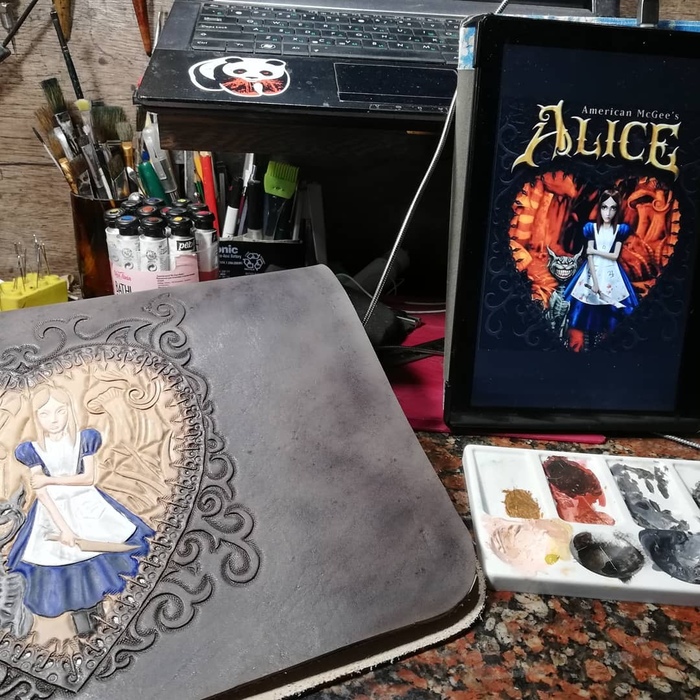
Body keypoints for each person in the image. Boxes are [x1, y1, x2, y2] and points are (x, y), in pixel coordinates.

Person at [7, 386, 154, 624]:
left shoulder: (84, 440)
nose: (54, 419)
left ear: (69, 411)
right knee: (66, 574)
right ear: (36, 417)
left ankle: (122, 617)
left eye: (60, 411)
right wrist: (64, 529)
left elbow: (88, 478)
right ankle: (87, 626)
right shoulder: (32, 450)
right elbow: (41, 494)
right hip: (52, 514)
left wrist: (50, 480)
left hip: (88, 507)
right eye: (45, 414)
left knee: (107, 565)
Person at [563, 189, 639, 351]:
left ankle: (602, 347)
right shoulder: (591, 228)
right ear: (600, 208)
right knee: (586, 308)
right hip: (591, 271)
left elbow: (614, 255)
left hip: (611, 272)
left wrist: (595, 251)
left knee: (609, 311)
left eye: (612, 208)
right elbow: (589, 256)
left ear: (617, 210)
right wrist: (595, 281)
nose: (608, 212)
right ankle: (585, 346)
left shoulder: (620, 230)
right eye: (605, 207)